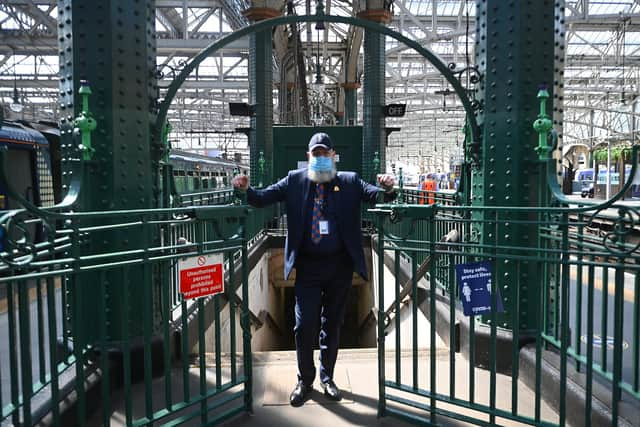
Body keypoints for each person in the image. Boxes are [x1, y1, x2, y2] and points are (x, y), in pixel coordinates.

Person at [232, 132, 395, 407]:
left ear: (333, 156)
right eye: (315, 154)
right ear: (309, 157)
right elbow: (261, 198)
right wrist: (244, 190)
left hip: (340, 266)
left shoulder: (349, 181)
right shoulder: (294, 181)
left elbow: (377, 197)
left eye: (325, 153)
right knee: (303, 324)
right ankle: (305, 379)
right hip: (307, 267)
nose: (320, 158)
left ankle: (327, 378)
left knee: (332, 324)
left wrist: (389, 188)